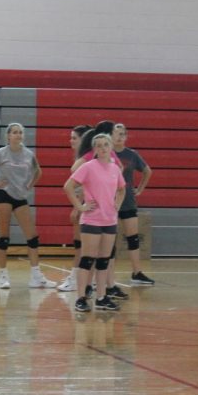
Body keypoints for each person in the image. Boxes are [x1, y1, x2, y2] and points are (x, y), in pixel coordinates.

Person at [0, 123, 56, 290]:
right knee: (4, 237)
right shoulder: (1, 153)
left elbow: (38, 171)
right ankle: (3, 275)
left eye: (20, 133)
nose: (18, 135)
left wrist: (30, 185)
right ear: (8, 136)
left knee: (32, 237)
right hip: (3, 194)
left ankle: (36, 276)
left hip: (20, 196)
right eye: (15, 132)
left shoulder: (28, 154)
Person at [64, 133, 125, 313]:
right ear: (95, 149)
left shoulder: (115, 169)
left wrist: (117, 205)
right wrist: (80, 206)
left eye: (106, 144)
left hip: (110, 220)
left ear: (111, 147)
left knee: (104, 260)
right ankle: (81, 298)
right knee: (88, 258)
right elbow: (68, 186)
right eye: (99, 145)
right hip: (91, 219)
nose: (103, 148)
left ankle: (101, 297)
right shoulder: (88, 167)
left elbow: (121, 189)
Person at [112, 124, 155, 287]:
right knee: (109, 239)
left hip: (128, 200)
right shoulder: (106, 154)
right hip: (110, 201)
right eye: (116, 134)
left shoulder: (132, 154)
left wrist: (140, 189)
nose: (120, 137)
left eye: (123, 134)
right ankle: (104, 275)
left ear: (126, 136)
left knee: (133, 237)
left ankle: (137, 272)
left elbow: (147, 171)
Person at [57, 124, 91, 293]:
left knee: (82, 245)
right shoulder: (81, 157)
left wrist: (78, 207)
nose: (70, 141)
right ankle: (84, 279)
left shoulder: (86, 160)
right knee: (82, 244)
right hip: (84, 206)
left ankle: (75, 278)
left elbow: (86, 187)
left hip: (87, 207)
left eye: (74, 138)